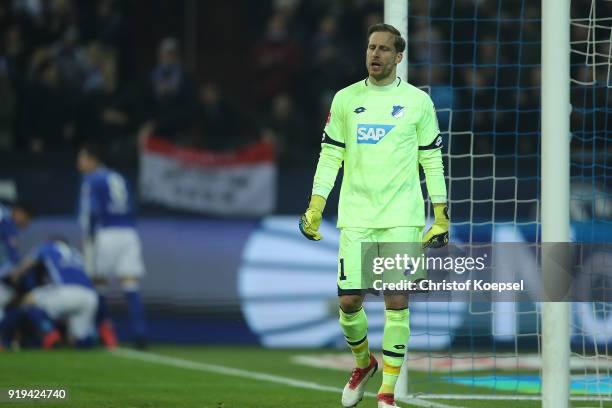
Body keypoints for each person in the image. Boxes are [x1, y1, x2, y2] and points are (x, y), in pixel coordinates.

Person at [298, 24, 449, 408]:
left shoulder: (418, 103)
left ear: (399, 57)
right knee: (349, 303)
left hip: (402, 215)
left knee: (397, 299)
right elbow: (331, 156)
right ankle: (364, 364)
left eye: (384, 49)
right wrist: (316, 205)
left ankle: (387, 394)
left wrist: (440, 213)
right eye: (370, 47)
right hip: (357, 216)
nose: (375, 54)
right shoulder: (346, 100)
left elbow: (431, 159)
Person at [77, 142, 147, 348]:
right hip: (128, 233)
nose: (78, 163)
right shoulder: (119, 178)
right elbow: (133, 206)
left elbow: (88, 211)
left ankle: (103, 333)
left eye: (81, 159)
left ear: (92, 160)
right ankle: (140, 334)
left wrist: (87, 237)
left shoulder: (91, 180)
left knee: (98, 284)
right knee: (131, 284)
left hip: (105, 232)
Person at [8, 238, 98, 349]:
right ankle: (87, 341)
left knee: (28, 300)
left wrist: (14, 276)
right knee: (77, 340)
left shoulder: (47, 246)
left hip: (65, 291)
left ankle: (49, 332)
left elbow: (28, 263)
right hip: (90, 296)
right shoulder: (76, 253)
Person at [0, 202, 33, 347]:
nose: (24, 224)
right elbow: (13, 257)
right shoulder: (7, 218)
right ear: (18, 212)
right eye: (25, 219)